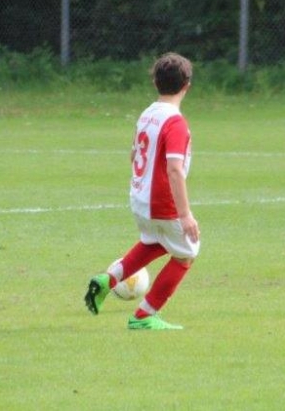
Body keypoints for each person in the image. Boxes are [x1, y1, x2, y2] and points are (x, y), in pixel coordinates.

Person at [84, 52, 199, 330]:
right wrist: (185, 215)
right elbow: (174, 169)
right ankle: (144, 315)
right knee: (186, 254)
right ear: (187, 86)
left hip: (139, 198)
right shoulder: (175, 123)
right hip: (162, 201)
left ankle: (107, 280)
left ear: (155, 82)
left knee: (156, 242)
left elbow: (133, 154)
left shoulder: (148, 114)